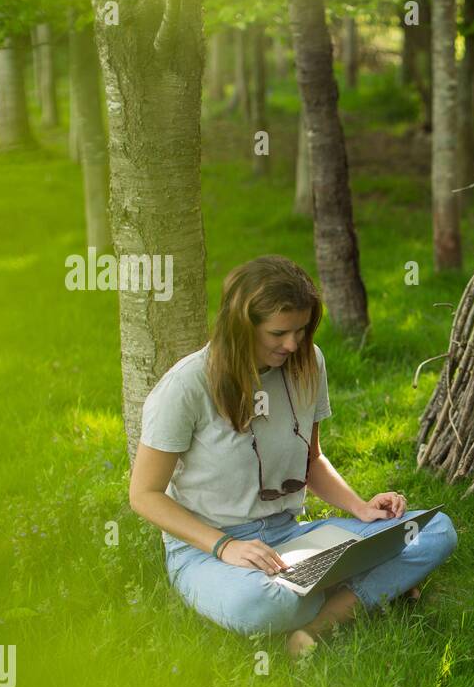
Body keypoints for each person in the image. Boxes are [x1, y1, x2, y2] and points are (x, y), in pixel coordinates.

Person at [128, 255, 457, 657]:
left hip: (292, 537)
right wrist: (224, 548)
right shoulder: (186, 386)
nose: (293, 344)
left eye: (301, 330)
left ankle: (321, 622)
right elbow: (144, 495)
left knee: (436, 530)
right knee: (265, 603)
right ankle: (371, 584)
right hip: (208, 552)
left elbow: (311, 460)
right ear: (240, 327)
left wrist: (361, 508)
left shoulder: (307, 363)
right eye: (278, 333)